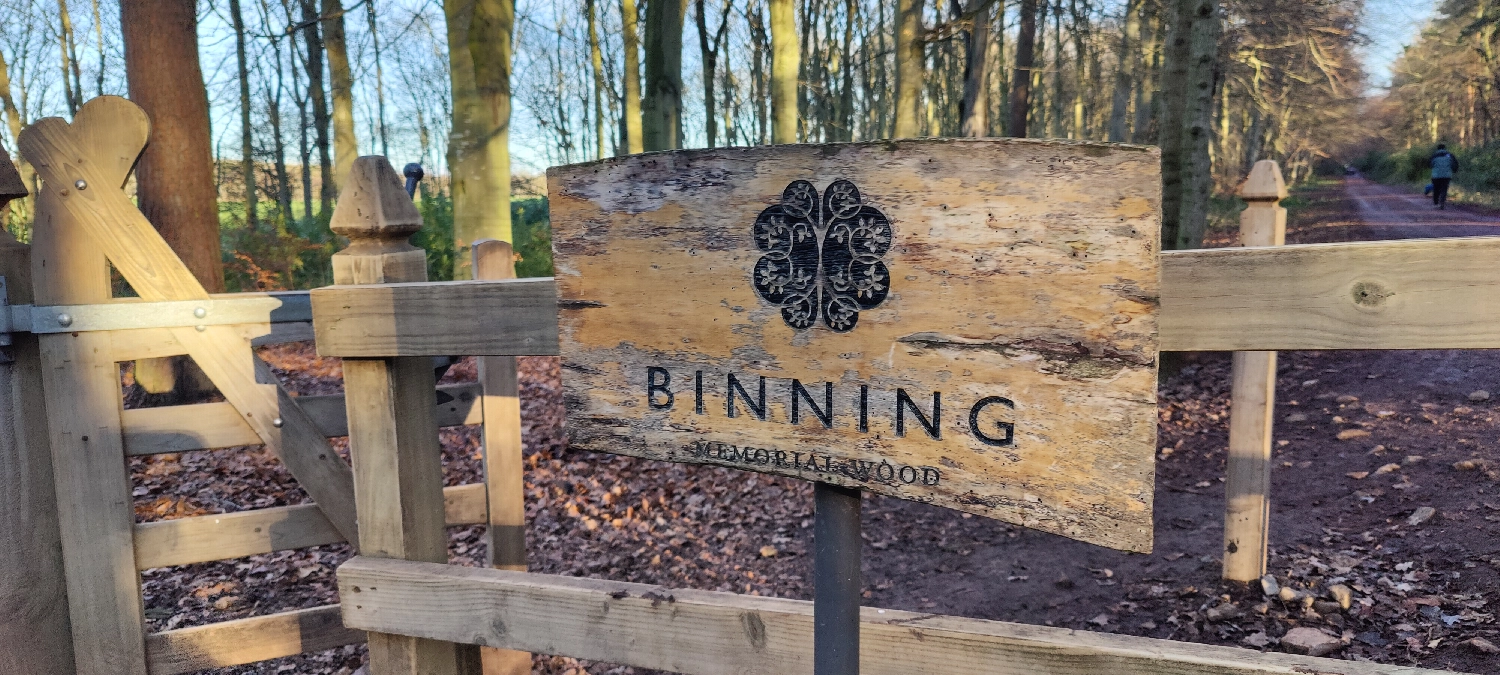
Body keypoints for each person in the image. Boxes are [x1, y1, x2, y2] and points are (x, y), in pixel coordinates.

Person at [1430, 144, 1458, 209]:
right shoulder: (1450, 155)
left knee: (1436, 189)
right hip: (1446, 176)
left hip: (1436, 176)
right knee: (1444, 189)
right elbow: (1454, 164)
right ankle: (1442, 202)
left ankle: (1436, 202)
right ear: (1445, 148)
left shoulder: (1434, 156)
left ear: (1438, 149)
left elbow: (1430, 164)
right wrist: (1454, 170)